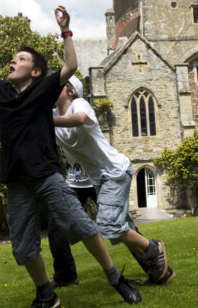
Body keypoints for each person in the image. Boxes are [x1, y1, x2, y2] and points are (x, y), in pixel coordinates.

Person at [0, 6, 141, 308]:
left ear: (35, 72)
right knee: (24, 247)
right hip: (16, 183)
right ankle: (46, 294)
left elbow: (71, 65)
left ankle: (116, 277)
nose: (14, 60)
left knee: (83, 226)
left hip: (48, 175)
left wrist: (65, 30)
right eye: (14, 58)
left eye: (21, 59)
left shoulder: (42, 90)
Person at [48, 76, 176, 287]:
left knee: (117, 226)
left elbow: (80, 119)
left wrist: (47, 120)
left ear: (71, 91)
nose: (51, 88)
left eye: (57, 85)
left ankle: (156, 262)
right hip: (79, 180)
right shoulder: (51, 114)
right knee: (58, 225)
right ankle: (66, 275)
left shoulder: (80, 104)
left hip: (109, 174)